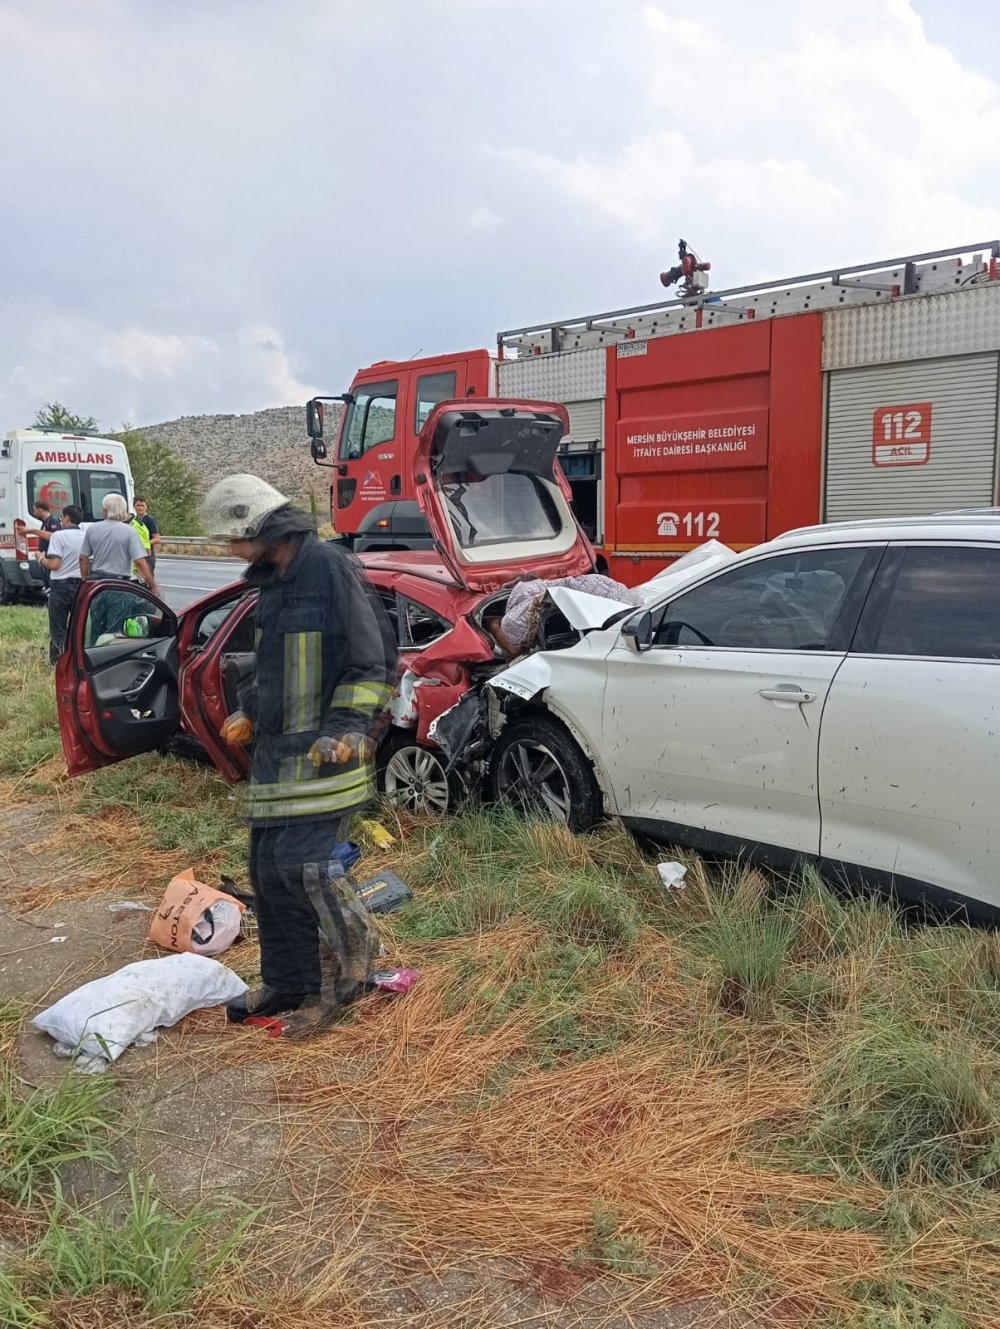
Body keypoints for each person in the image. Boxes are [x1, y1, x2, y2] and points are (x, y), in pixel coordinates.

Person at [201, 474, 397, 1038]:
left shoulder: (328, 569)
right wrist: (251, 711)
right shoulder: (273, 584)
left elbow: (371, 659)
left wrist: (347, 726)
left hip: (326, 758)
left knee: (305, 871)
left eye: (234, 539)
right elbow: (277, 669)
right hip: (276, 758)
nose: (232, 551)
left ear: (260, 525)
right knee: (266, 874)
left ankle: (346, 980)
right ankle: (287, 982)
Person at [488, 572, 642, 656]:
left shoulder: (512, 619)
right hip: (616, 593)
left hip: (615, 609)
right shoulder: (545, 586)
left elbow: (514, 649)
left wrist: (493, 625)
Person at [79, 494, 159, 641]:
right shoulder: (129, 531)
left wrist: (85, 579)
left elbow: (83, 557)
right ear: (123, 511)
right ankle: (110, 660)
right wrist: (153, 585)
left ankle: (93, 658)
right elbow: (140, 561)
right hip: (119, 585)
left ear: (105, 510)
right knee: (114, 631)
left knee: (97, 626)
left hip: (97, 584)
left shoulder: (92, 529)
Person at [38, 504, 85, 664]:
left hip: (60, 586)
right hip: (80, 586)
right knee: (78, 627)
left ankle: (58, 663)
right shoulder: (86, 536)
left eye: (62, 517)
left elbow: (54, 564)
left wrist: (40, 558)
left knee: (58, 628)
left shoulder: (58, 536)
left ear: (67, 518)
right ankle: (77, 661)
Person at [33, 500, 62, 590]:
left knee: (50, 580)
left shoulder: (52, 521)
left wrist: (45, 552)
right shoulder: (45, 522)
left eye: (35, 510)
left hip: (50, 556)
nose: (34, 513)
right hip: (45, 555)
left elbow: (55, 537)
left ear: (40, 510)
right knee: (46, 578)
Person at [132, 497, 160, 569]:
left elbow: (157, 539)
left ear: (146, 507)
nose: (140, 508)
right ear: (134, 506)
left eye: (142, 505)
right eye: (138, 505)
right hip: (136, 556)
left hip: (147, 556)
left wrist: (144, 544)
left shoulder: (150, 520)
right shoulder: (133, 520)